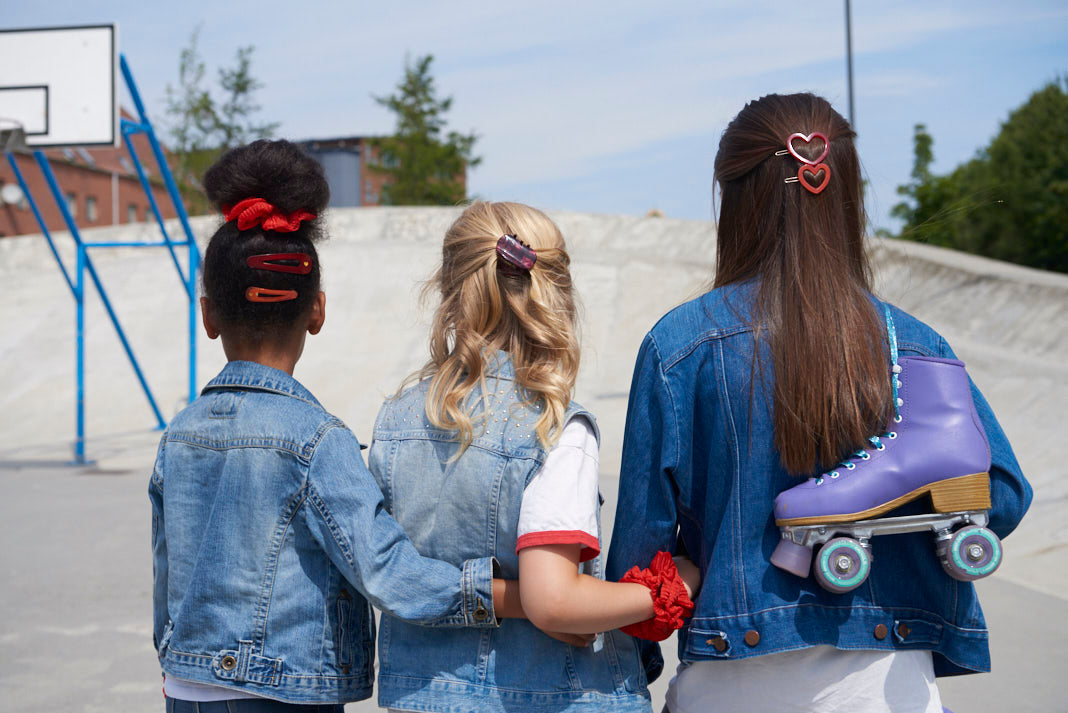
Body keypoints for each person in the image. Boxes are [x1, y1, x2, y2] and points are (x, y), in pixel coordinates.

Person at [605, 93, 1032, 713]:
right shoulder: (913, 343)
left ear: (733, 201)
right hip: (890, 690)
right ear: (848, 198)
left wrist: (628, 665)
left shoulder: (681, 346)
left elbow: (641, 558)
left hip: (730, 687)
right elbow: (1002, 495)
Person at [149, 141, 549, 712]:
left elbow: (166, 579)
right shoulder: (316, 441)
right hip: (280, 694)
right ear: (317, 311)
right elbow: (386, 571)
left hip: (185, 690)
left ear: (209, 315)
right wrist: (518, 597)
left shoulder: (178, 434)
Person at [368, 201, 697, 713]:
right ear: (558, 295)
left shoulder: (396, 421)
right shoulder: (554, 427)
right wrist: (675, 585)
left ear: (449, 292)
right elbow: (555, 601)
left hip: (421, 697)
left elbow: (388, 571)